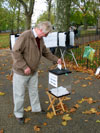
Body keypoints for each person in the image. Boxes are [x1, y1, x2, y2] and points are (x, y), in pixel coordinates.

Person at [11, 21, 61, 124]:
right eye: (46, 33)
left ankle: (36, 108)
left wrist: (56, 59)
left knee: (34, 91)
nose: (46, 36)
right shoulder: (26, 35)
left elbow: (45, 52)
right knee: (19, 94)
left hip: (33, 71)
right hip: (21, 72)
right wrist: (24, 66)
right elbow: (15, 52)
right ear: (40, 29)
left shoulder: (40, 38)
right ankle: (18, 113)